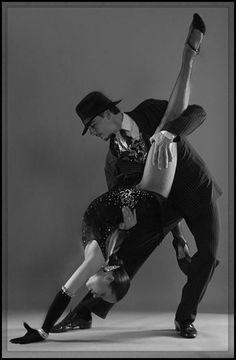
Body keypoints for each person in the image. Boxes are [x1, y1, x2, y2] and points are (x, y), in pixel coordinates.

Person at [10, 13, 221, 343]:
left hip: (195, 190)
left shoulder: (150, 112)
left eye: (93, 126)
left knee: (207, 255)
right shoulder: (113, 163)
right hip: (158, 204)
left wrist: (169, 135)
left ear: (108, 113)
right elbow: (128, 198)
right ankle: (81, 315)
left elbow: (197, 112)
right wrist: (146, 226)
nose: (93, 133)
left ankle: (185, 318)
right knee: (120, 256)